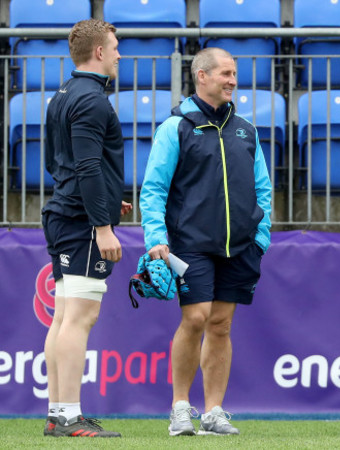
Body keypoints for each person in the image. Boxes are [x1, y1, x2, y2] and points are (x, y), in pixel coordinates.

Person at [140, 47, 272, 437]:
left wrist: (260, 237)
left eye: (234, 74)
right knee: (195, 318)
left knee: (221, 325)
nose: (233, 81)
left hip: (241, 246)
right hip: (190, 244)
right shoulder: (176, 126)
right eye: (226, 73)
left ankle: (213, 412)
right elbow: (154, 189)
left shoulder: (246, 129)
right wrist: (156, 237)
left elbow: (262, 188)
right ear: (202, 76)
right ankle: (181, 408)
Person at [42, 19, 131, 438]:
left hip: (65, 212)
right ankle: (69, 417)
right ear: (98, 52)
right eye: (114, 47)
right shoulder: (93, 101)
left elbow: (55, 163)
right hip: (81, 222)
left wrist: (110, 200)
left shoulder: (61, 94)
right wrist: (102, 223)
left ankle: (59, 413)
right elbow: (87, 165)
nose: (118, 54)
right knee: (80, 317)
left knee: (63, 316)